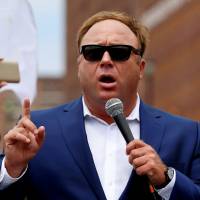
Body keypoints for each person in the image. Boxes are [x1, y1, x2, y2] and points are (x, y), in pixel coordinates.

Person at [0, 10, 199, 200]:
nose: (105, 60)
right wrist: (12, 169)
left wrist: (166, 180)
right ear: (79, 66)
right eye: (93, 52)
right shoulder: (36, 130)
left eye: (119, 52)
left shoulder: (187, 134)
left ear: (140, 67)